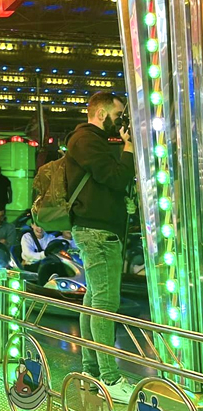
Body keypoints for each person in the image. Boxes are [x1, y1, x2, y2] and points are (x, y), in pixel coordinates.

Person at [67, 91, 137, 402]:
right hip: (98, 232)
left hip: (95, 230)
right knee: (105, 304)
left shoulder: (86, 140)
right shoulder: (86, 139)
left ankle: (91, 371)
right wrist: (129, 149)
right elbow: (114, 177)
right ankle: (109, 377)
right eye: (117, 115)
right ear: (101, 113)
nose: (119, 122)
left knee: (94, 301)